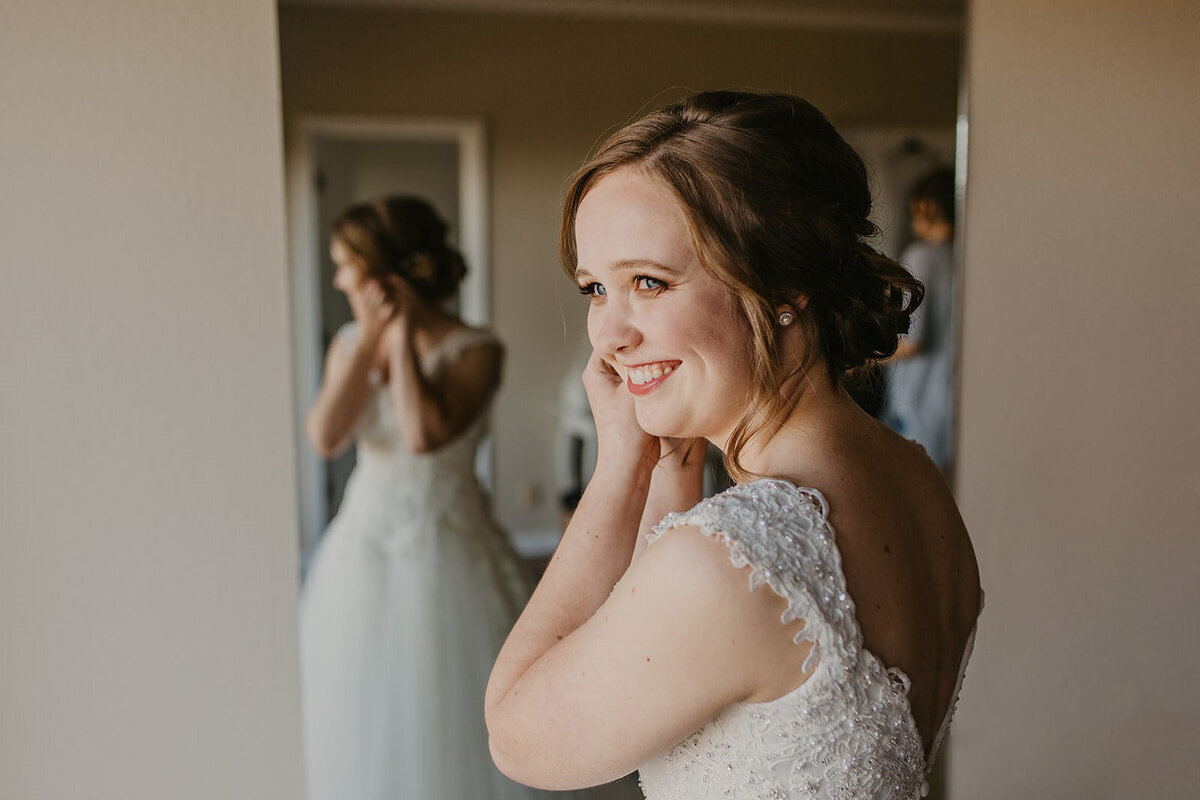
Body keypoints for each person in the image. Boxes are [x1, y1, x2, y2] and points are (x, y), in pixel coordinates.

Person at [485, 92, 983, 799]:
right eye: (597, 288)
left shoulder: (732, 560)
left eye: (649, 282)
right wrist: (665, 462)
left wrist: (617, 470)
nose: (608, 335)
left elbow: (517, 736)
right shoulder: (917, 482)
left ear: (783, 282)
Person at [300, 196, 546, 799]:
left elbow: (421, 437)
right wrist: (366, 345)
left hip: (448, 545)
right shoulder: (347, 342)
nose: (337, 279)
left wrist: (403, 334)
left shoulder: (477, 350)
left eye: (344, 265)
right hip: (364, 541)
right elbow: (326, 437)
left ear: (383, 274)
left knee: (446, 693)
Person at [882, 168, 957, 474]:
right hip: (949, 393)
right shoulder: (963, 256)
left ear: (927, 207)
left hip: (919, 394)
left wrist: (864, 359)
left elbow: (913, 343)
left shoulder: (922, 257)